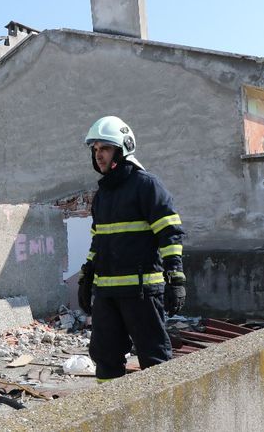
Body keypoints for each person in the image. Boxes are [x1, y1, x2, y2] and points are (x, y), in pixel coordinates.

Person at [77, 116, 186, 382]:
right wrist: (86, 275)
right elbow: (98, 240)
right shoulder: (102, 195)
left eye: (104, 148)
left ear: (122, 148)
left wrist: (176, 277)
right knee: (104, 357)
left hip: (142, 293)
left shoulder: (147, 185)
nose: (98, 155)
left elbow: (169, 231)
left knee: (155, 359)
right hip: (107, 294)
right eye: (95, 149)